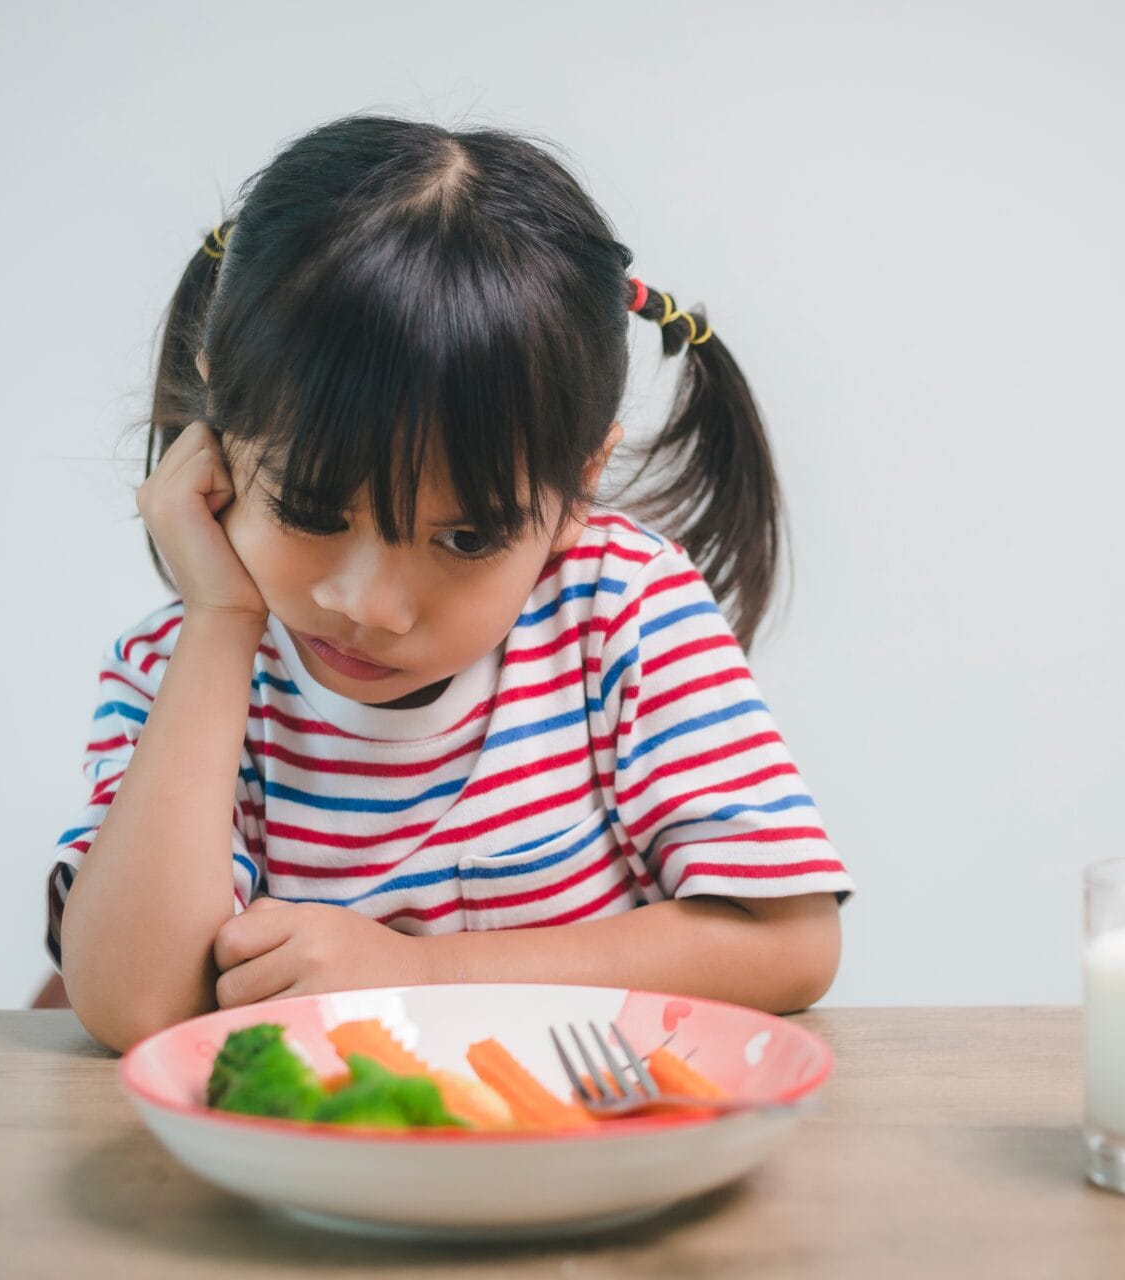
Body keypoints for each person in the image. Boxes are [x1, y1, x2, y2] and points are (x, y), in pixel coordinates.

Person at [47, 114, 855, 1053]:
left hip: (582, 1164)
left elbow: (791, 942)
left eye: (465, 537)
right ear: (216, 424)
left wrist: (422, 975)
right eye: (310, 511)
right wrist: (223, 619)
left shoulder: (621, 612)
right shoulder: (179, 671)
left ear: (577, 486)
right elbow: (136, 1008)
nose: (370, 605)